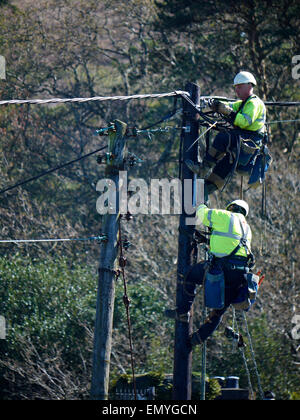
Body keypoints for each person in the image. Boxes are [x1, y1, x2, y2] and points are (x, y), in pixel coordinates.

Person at [165, 199, 254, 347]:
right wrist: (208, 240)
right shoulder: (247, 228)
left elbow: (202, 215)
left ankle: (183, 312)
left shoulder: (226, 216)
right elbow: (228, 245)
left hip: (222, 270)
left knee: (188, 276)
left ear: (231, 207)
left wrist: (200, 202)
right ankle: (196, 339)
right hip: (239, 277)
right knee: (218, 311)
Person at [186, 71, 267, 195]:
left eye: (240, 87)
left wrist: (228, 112)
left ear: (249, 86)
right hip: (243, 143)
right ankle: (204, 192)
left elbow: (245, 122)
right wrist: (215, 105)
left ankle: (204, 169)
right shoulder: (243, 104)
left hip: (248, 142)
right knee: (224, 167)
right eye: (236, 88)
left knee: (223, 138)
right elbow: (230, 106)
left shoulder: (255, 103)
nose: (237, 91)